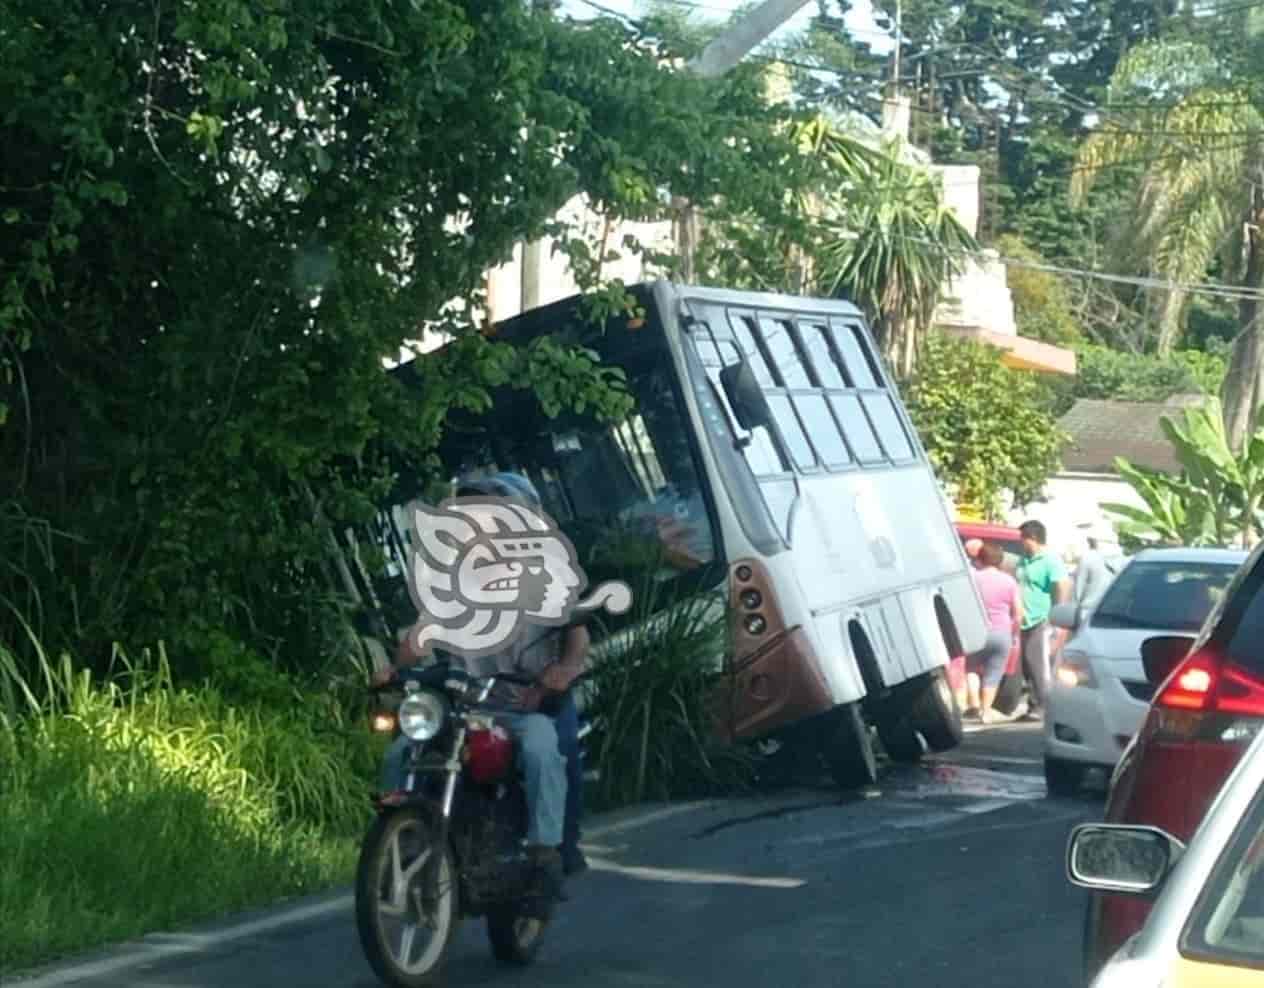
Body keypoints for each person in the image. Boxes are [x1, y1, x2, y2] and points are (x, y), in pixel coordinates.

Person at [375, 471, 592, 905]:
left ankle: (545, 851)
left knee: (541, 750)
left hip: (522, 708)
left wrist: (563, 671)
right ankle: (394, 845)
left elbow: (578, 636)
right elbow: (420, 637)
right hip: (459, 707)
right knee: (401, 750)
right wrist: (393, 669)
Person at [1015, 519, 1071, 723]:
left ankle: (1043, 706)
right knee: (1028, 665)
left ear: (1033, 538)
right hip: (1024, 619)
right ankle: (1033, 704)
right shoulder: (1024, 560)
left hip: (1042, 619)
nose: (1020, 542)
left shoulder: (1050, 560)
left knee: (1038, 664)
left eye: (1023, 538)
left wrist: (1057, 615)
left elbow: (1062, 586)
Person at [964, 542, 1023, 724]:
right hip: (1001, 633)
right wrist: (1013, 632)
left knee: (971, 669)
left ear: (980, 558)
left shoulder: (972, 579)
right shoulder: (1009, 581)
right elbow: (1019, 613)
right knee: (993, 674)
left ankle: (973, 704)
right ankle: (986, 711)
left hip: (976, 632)